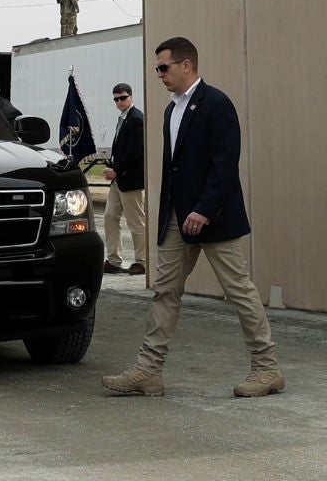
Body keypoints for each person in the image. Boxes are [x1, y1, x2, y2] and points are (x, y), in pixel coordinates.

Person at [102, 36, 283, 399]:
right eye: (157, 69)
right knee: (165, 291)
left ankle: (267, 369)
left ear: (187, 65)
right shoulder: (171, 110)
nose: (159, 75)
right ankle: (148, 371)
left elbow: (224, 164)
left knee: (239, 291)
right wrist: (168, 211)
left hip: (214, 217)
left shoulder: (217, 104)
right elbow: (174, 168)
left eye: (163, 67)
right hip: (176, 218)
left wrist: (204, 208)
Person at [102, 82, 147, 275]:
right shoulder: (124, 118)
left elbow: (135, 151)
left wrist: (117, 170)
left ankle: (143, 261)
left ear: (131, 97)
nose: (119, 101)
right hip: (119, 180)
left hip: (130, 179)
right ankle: (114, 260)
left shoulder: (136, 118)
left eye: (123, 97)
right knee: (110, 217)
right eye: (116, 99)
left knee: (136, 222)